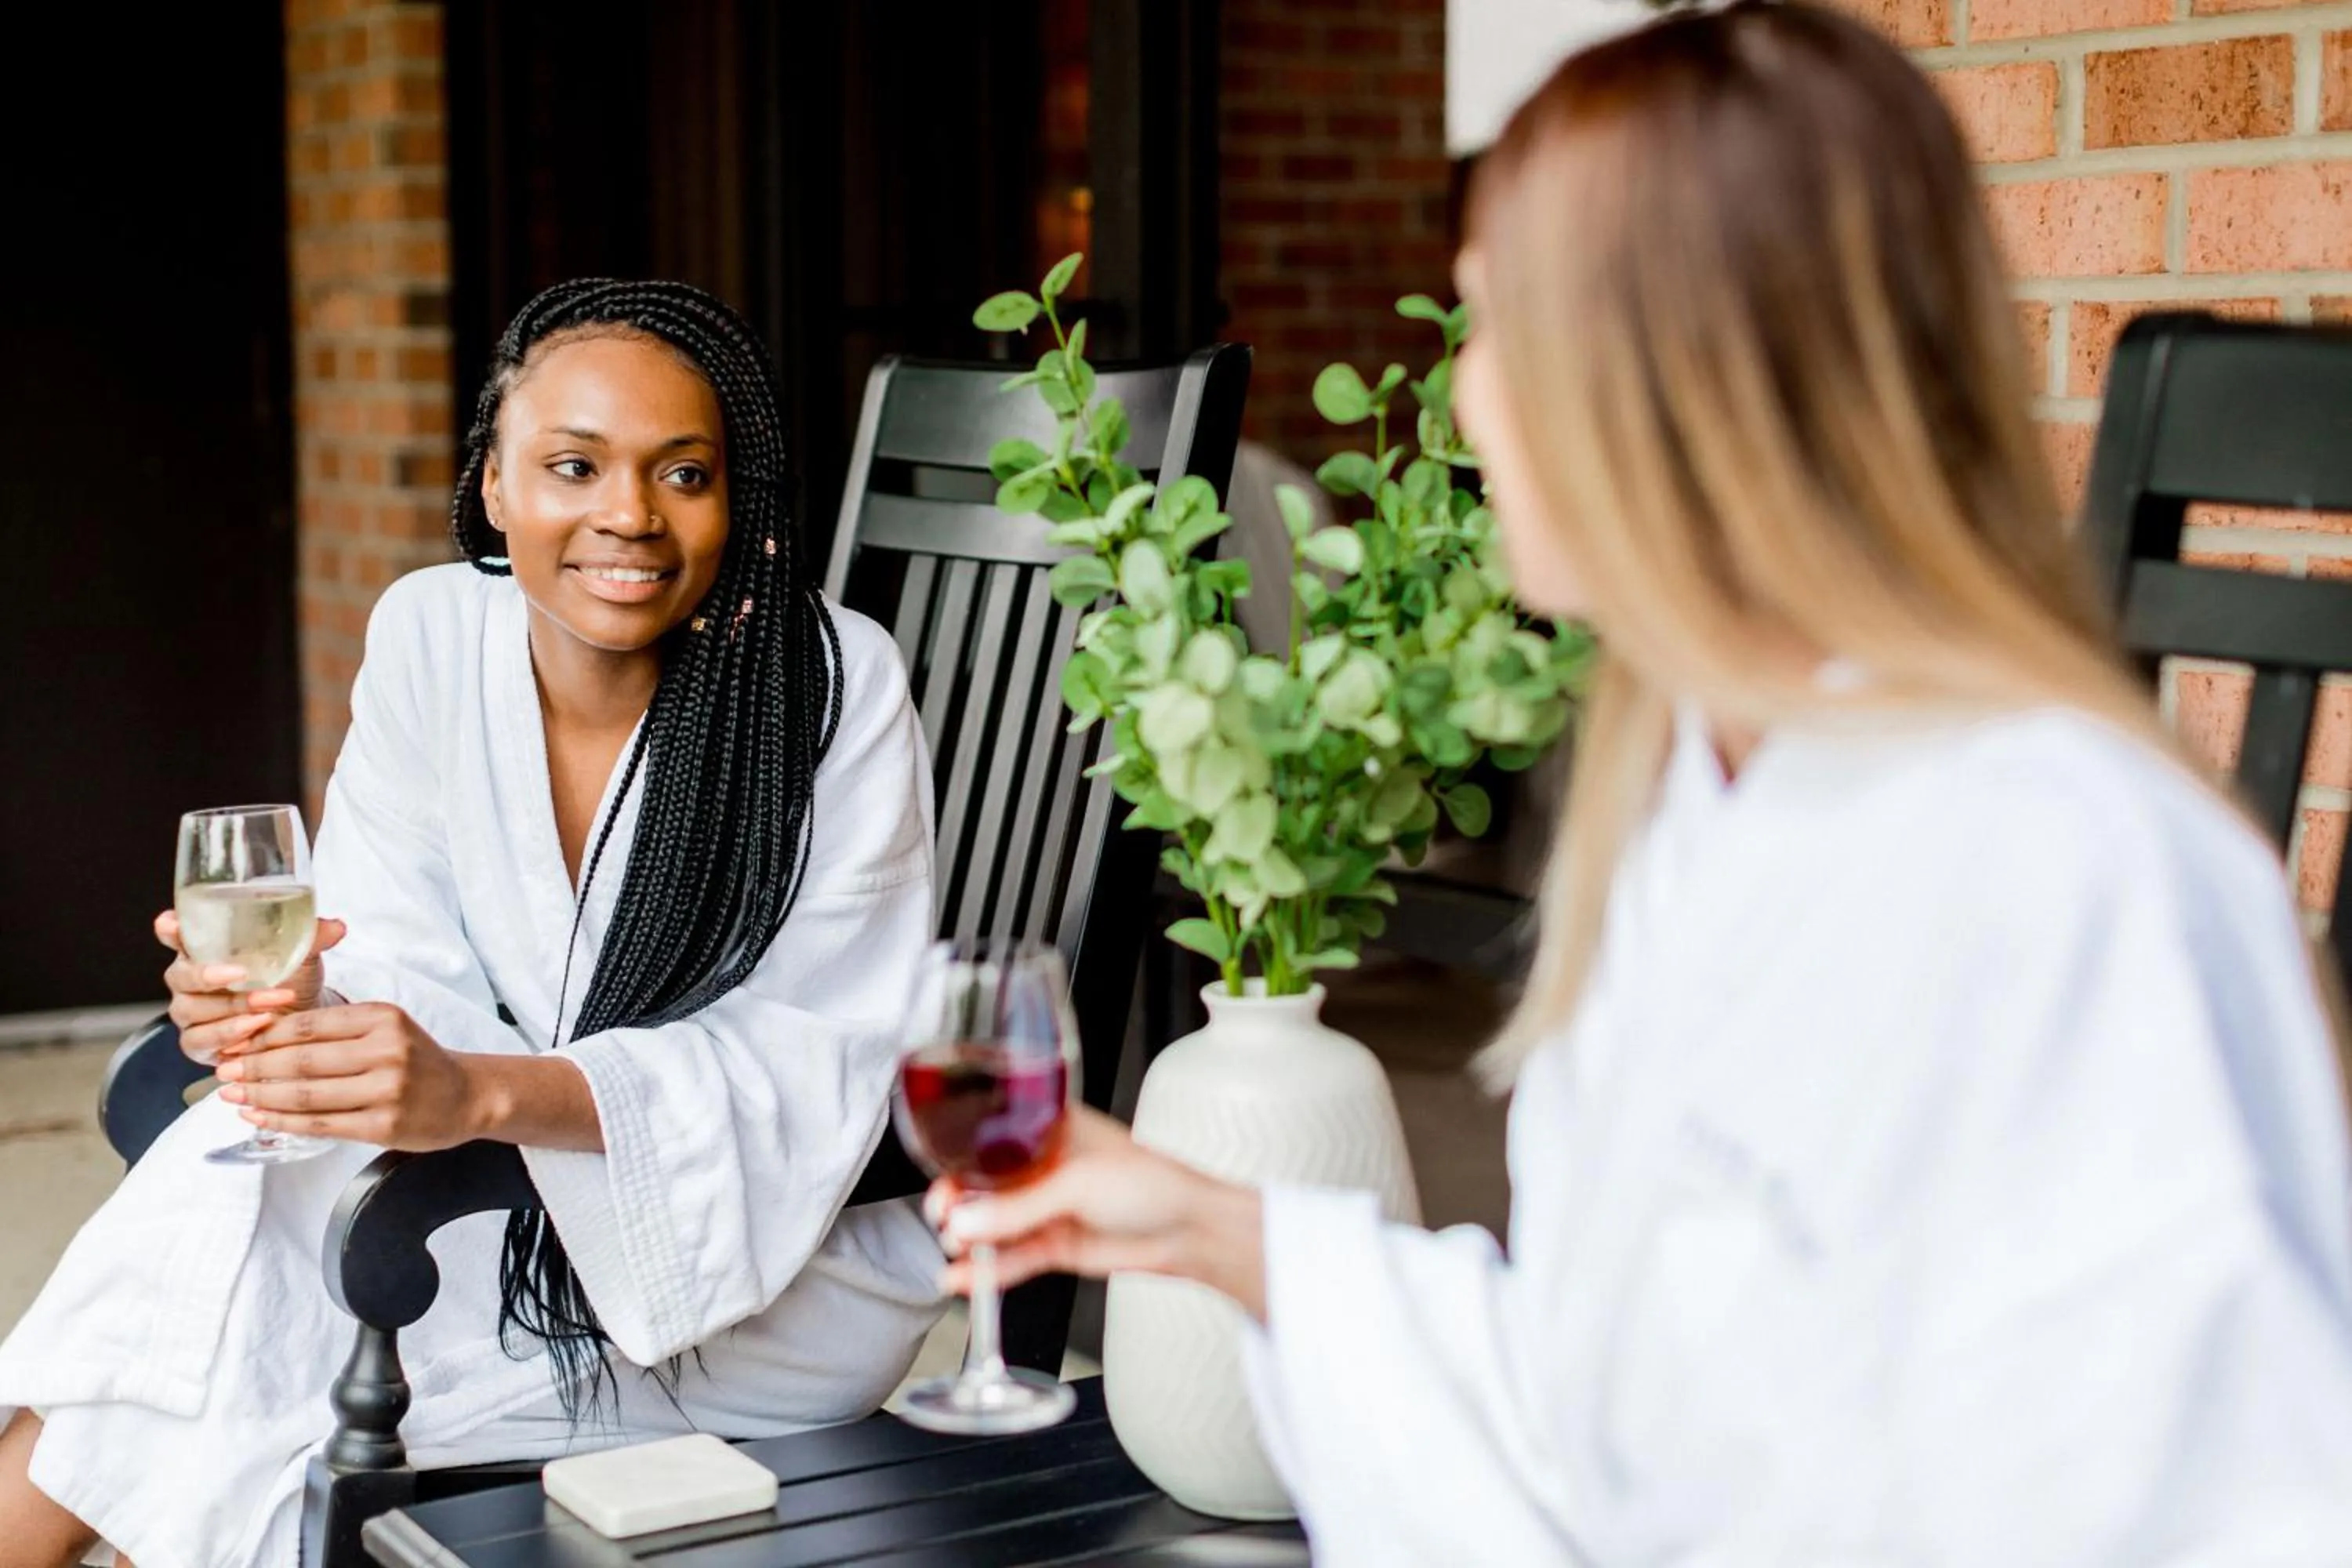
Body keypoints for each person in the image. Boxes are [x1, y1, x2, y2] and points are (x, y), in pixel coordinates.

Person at [930, 6, 2352, 1562]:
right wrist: (1208, 1228)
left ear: (1681, 377)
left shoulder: (2062, 866)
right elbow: (1619, 1410)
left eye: (1501, 329)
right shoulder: (1699, 797)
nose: (1468, 401)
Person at [0, 281, 945, 1568]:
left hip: (747, 1281)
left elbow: (815, 1057)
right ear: (494, 486)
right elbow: (388, 952)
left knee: (211, 1377)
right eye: (574, 466)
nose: (631, 514)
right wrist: (300, 1017)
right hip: (468, 1219)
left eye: (684, 473)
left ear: (741, 501)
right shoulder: (432, 638)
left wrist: (483, 1096)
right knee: (214, 1301)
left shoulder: (829, 690)